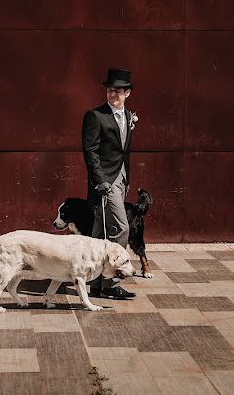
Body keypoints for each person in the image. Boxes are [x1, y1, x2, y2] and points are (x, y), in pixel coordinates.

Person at [81, 68, 136, 300]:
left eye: (118, 90)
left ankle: (93, 283)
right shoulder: (95, 116)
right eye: (110, 89)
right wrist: (100, 180)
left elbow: (122, 151)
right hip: (105, 181)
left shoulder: (128, 116)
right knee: (122, 228)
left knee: (99, 230)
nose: (113, 94)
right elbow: (90, 151)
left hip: (121, 178)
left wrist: (126, 179)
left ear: (127, 93)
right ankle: (111, 283)